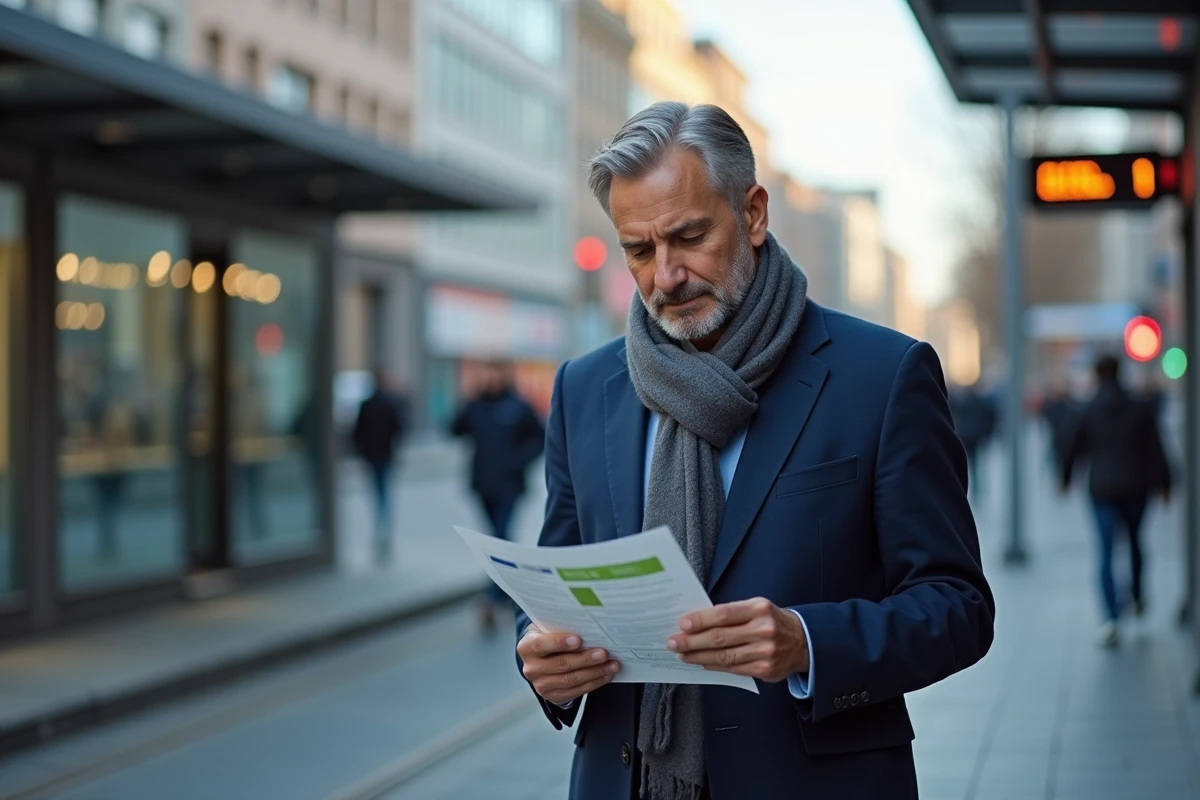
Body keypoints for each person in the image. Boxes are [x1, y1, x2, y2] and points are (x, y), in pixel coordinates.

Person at [515, 102, 994, 800]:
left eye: (689, 236)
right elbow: (556, 588)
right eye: (639, 250)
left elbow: (958, 606)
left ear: (754, 214)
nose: (666, 276)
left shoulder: (881, 377)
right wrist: (542, 659)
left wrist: (807, 641)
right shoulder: (587, 389)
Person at [1061, 354, 1171, 648]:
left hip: (1103, 489)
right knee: (1135, 542)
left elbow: (1072, 445)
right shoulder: (1139, 407)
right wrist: (1166, 483)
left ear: (1097, 375)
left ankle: (1110, 617)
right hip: (1137, 488)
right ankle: (1135, 595)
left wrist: (1065, 478)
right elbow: (1155, 447)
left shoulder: (1089, 408)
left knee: (1107, 551)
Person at [451, 362, 546, 629]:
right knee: (498, 541)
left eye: (495, 372)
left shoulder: (518, 406)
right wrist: (468, 400)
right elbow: (455, 429)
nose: (491, 378)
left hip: (509, 486)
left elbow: (539, 439)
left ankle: (491, 599)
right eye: (486, 373)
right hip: (482, 485)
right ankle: (509, 595)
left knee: (498, 540)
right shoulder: (476, 405)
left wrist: (518, 462)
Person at [353, 369, 409, 561]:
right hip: (384, 455)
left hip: (373, 456)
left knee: (379, 494)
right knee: (384, 495)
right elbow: (398, 429)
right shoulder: (388, 403)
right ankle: (383, 530)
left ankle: (381, 529)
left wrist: (362, 453)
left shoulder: (367, 404)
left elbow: (357, 433)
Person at [948, 383, 997, 504]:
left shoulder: (963, 402)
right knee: (975, 464)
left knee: (964, 464)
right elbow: (990, 417)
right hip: (975, 436)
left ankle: (968, 488)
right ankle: (976, 489)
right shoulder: (980, 402)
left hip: (966, 436)